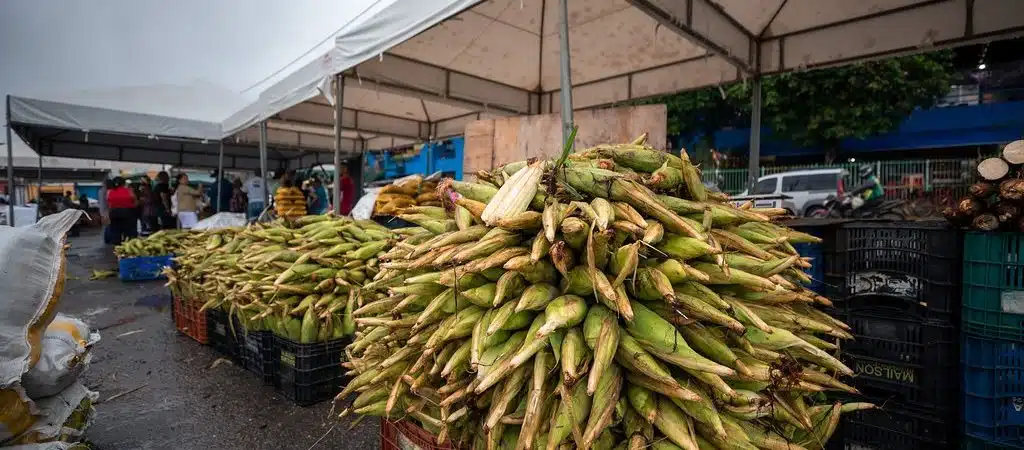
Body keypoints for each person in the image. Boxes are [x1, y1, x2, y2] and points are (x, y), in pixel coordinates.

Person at [106, 177, 138, 245]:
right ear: (124, 183)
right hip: (127, 213)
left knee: (115, 232)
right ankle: (127, 248)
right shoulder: (129, 191)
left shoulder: (110, 191)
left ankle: (117, 248)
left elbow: (109, 204)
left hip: (114, 214)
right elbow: (136, 203)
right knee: (128, 232)